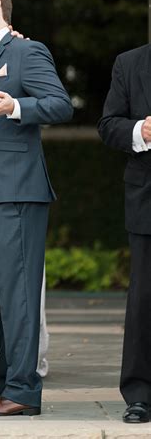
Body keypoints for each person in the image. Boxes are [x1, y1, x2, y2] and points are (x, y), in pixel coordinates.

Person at [0, 0, 73, 417]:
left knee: (19, 294)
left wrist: (15, 107)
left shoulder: (26, 51)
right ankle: (6, 379)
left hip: (17, 191)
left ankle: (24, 391)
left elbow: (60, 105)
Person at [97, 44, 151, 425]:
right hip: (147, 197)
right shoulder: (129, 63)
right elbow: (108, 124)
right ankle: (141, 395)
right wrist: (141, 129)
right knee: (144, 298)